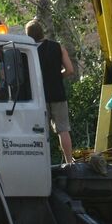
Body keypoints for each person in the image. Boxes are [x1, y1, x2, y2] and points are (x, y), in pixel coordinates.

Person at [25, 18, 74, 164]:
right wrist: (58, 77)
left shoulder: (30, 52)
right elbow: (70, 70)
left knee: (41, 132)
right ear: (42, 32)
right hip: (58, 93)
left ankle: (43, 164)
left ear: (29, 36)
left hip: (40, 98)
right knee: (63, 130)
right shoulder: (58, 47)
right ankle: (69, 161)